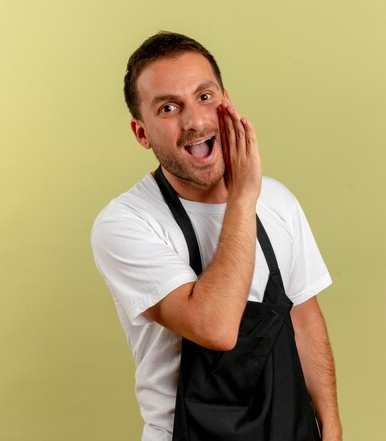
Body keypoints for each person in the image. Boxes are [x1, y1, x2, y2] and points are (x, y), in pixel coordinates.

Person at [91, 31, 342, 441]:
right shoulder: (126, 223)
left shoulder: (278, 200)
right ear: (142, 133)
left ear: (226, 100)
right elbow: (216, 328)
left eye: (205, 97)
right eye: (169, 107)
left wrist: (330, 431)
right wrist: (242, 197)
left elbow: (305, 321)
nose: (195, 121)